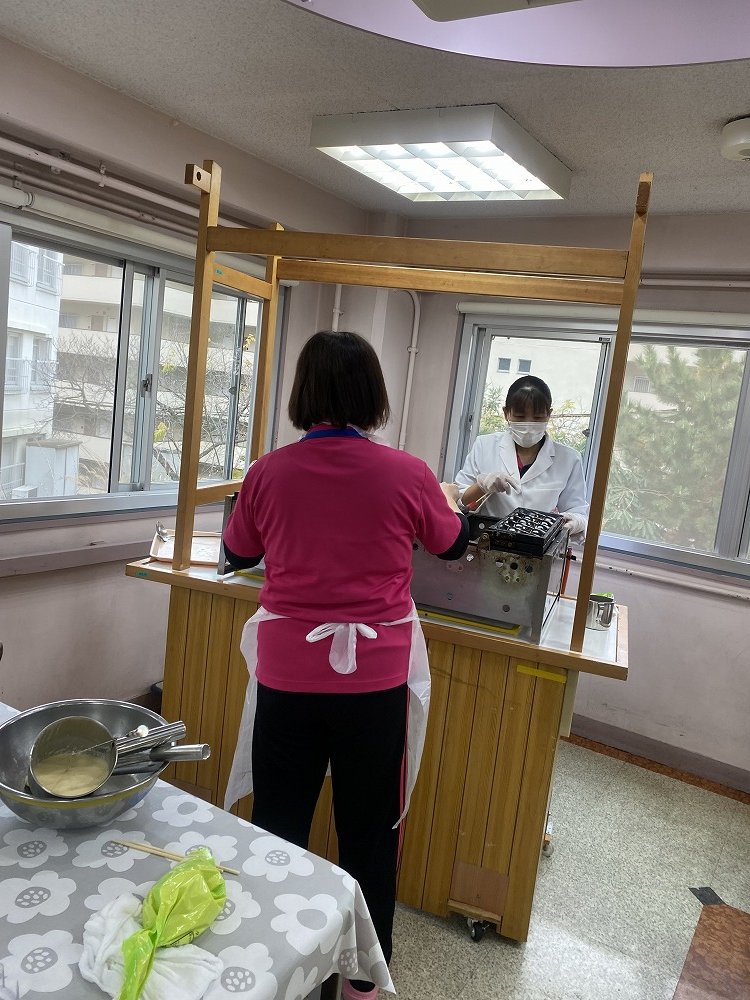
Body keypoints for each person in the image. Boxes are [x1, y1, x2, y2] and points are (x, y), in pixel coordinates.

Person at [221, 331, 469, 1000]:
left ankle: (272, 970)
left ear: (304, 394)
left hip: (287, 680)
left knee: (280, 824)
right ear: (373, 395)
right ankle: (363, 982)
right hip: (374, 685)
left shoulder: (267, 473)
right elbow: (451, 544)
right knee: (369, 834)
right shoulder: (408, 474)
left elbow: (238, 553)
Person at [455, 374, 588, 537]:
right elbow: (458, 501)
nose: (529, 425)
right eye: (520, 417)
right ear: (506, 413)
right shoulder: (484, 446)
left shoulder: (569, 459)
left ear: (549, 414)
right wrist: (482, 486)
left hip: (538, 547)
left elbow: (577, 511)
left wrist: (575, 522)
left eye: (538, 417)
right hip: (487, 542)